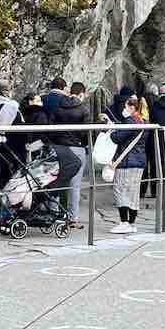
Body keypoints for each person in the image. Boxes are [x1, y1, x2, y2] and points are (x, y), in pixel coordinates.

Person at [50, 81, 90, 226]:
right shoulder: (83, 109)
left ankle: (53, 213)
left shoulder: (58, 107)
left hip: (60, 148)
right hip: (77, 148)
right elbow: (85, 132)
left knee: (57, 180)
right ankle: (73, 216)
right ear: (81, 94)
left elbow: (52, 126)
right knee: (75, 185)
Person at [109, 97, 149, 234]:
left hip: (126, 161)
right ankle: (132, 223)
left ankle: (124, 222)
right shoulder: (144, 121)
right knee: (133, 192)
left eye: (126, 107)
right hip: (139, 161)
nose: (124, 110)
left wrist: (112, 130)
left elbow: (116, 138)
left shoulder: (130, 121)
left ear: (131, 108)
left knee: (120, 190)